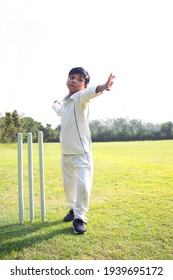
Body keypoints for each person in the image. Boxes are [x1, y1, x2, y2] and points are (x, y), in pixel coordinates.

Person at [52, 67, 115, 234]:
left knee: (83, 185)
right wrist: (55, 103)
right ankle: (73, 210)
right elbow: (58, 110)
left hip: (82, 154)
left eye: (79, 79)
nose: (74, 80)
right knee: (69, 186)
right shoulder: (66, 103)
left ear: (84, 86)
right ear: (67, 80)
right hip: (66, 153)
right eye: (72, 77)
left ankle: (80, 218)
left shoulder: (81, 97)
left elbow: (93, 92)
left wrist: (103, 86)